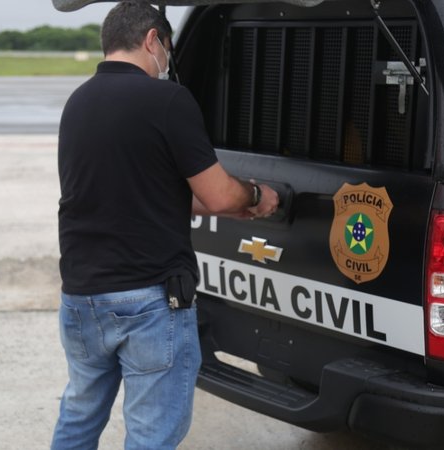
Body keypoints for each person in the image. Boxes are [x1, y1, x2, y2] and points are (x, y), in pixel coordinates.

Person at [51, 2, 280, 449]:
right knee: (152, 435)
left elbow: (138, 191)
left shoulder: (78, 102)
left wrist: (226, 207)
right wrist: (254, 196)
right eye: (167, 49)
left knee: (79, 416)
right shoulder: (167, 100)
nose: (166, 62)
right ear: (153, 40)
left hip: (81, 297)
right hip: (148, 298)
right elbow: (218, 193)